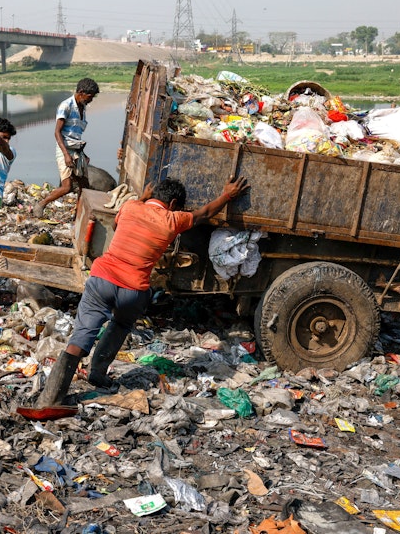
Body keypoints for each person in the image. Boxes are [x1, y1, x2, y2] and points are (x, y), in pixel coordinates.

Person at [35, 175, 249, 408]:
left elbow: (117, 225)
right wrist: (228, 195)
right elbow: (205, 213)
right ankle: (97, 374)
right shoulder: (173, 219)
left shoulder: (130, 206)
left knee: (82, 335)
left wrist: (142, 198)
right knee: (120, 325)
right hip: (133, 290)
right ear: (175, 203)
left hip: (103, 279)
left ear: (154, 196)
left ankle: (51, 398)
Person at [32, 77, 99, 218]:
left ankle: (79, 214)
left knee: (84, 186)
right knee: (67, 187)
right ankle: (41, 204)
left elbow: (75, 135)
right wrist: (66, 155)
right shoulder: (66, 106)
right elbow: (57, 132)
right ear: (81, 92)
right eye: (90, 97)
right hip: (65, 149)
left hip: (77, 150)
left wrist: (83, 155)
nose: (91, 100)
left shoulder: (83, 107)